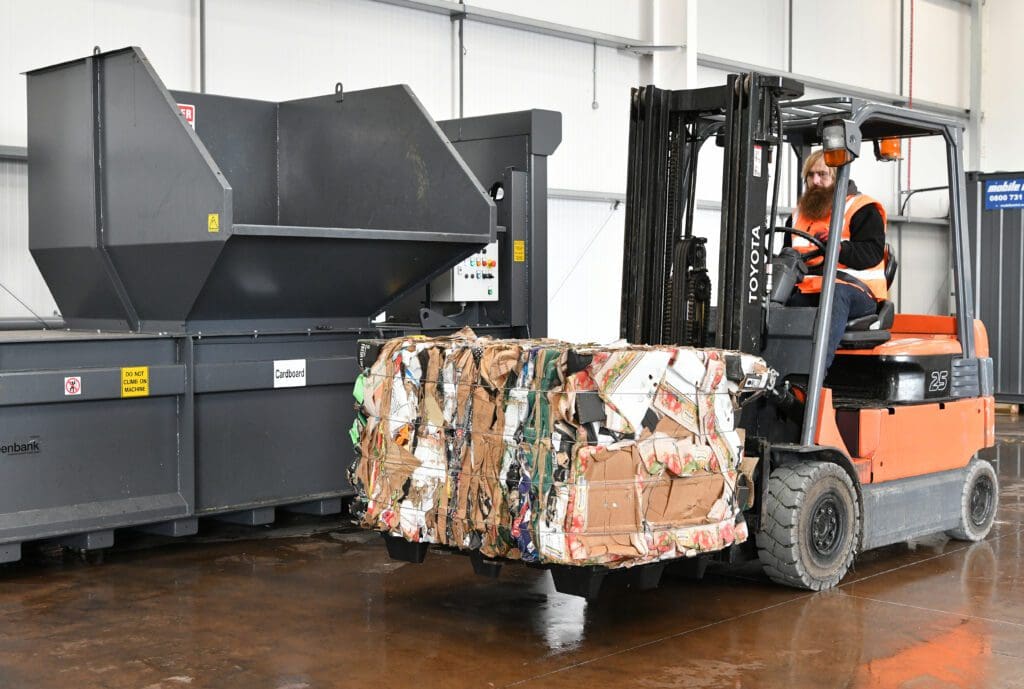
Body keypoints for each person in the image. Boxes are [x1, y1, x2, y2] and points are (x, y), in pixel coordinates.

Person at [786, 150, 888, 368]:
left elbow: (872, 253)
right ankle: (773, 371)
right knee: (777, 300)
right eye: (810, 175)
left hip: (856, 292)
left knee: (834, 294)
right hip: (812, 289)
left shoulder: (862, 208)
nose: (815, 181)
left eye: (822, 174)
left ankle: (814, 374)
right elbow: (788, 253)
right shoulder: (797, 215)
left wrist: (837, 247)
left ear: (838, 176)